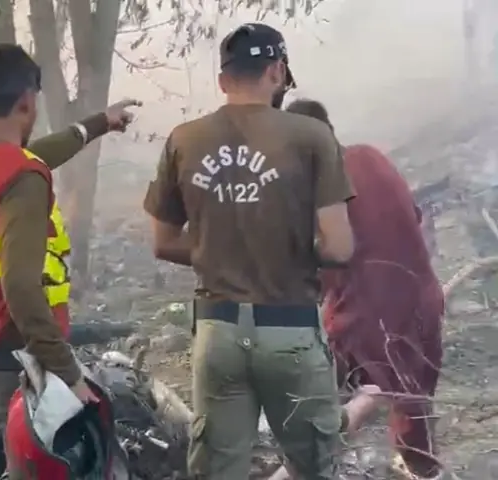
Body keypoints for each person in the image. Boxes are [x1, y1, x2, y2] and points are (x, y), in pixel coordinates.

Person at [143, 23, 355, 479]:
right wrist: (283, 246)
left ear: (223, 80)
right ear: (278, 72)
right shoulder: (311, 137)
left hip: (217, 333)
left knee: (218, 470)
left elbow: (163, 241)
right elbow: (339, 247)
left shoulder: (184, 139)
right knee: (315, 467)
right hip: (289, 331)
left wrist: (220, 249)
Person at [0, 43, 140, 421]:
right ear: (27, 102)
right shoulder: (21, 178)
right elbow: (21, 287)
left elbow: (31, 157)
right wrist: (69, 374)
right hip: (11, 371)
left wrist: (98, 123)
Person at [286, 98, 444, 480]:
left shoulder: (323, 191)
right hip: (424, 302)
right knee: (412, 400)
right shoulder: (370, 156)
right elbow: (413, 217)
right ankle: (419, 465)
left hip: (372, 322)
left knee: (346, 391)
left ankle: (311, 459)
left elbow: (322, 272)